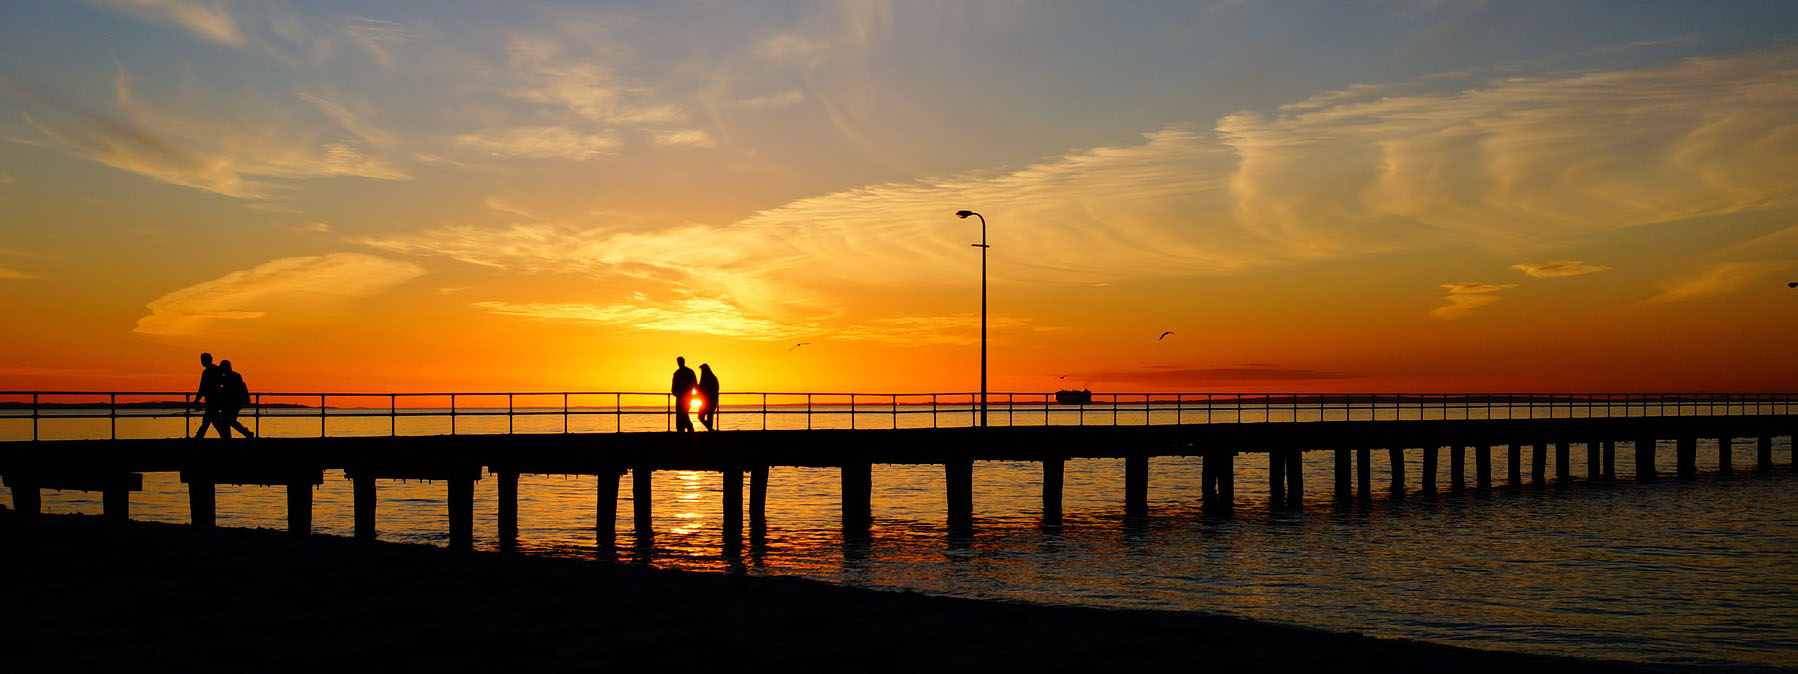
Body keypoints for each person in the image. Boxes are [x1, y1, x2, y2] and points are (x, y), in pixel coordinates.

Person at [217, 359, 254, 439]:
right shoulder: (234, 376)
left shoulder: (229, 377)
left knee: (228, 420)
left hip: (232, 403)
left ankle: (244, 433)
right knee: (229, 421)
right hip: (234, 402)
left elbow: (229, 390)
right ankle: (245, 433)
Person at [192, 352, 224, 439]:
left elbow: (202, 387)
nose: (201, 362)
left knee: (208, 419)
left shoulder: (206, 372)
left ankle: (199, 436)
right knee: (212, 419)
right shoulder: (218, 370)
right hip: (217, 399)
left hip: (212, 399)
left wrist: (196, 400)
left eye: (202, 360)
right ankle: (224, 434)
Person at [670, 356, 697, 433]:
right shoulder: (689, 372)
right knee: (683, 412)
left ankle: (686, 427)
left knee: (681, 413)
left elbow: (674, 384)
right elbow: (694, 383)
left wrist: (674, 391)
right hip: (687, 396)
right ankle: (685, 428)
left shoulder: (677, 373)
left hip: (681, 396)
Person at [697, 363, 720, 431]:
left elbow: (701, 388)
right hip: (712, 400)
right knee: (709, 416)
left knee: (701, 416)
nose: (701, 372)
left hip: (707, 400)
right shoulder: (713, 377)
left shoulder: (706, 378)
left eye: (702, 370)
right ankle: (710, 430)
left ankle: (710, 430)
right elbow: (717, 388)